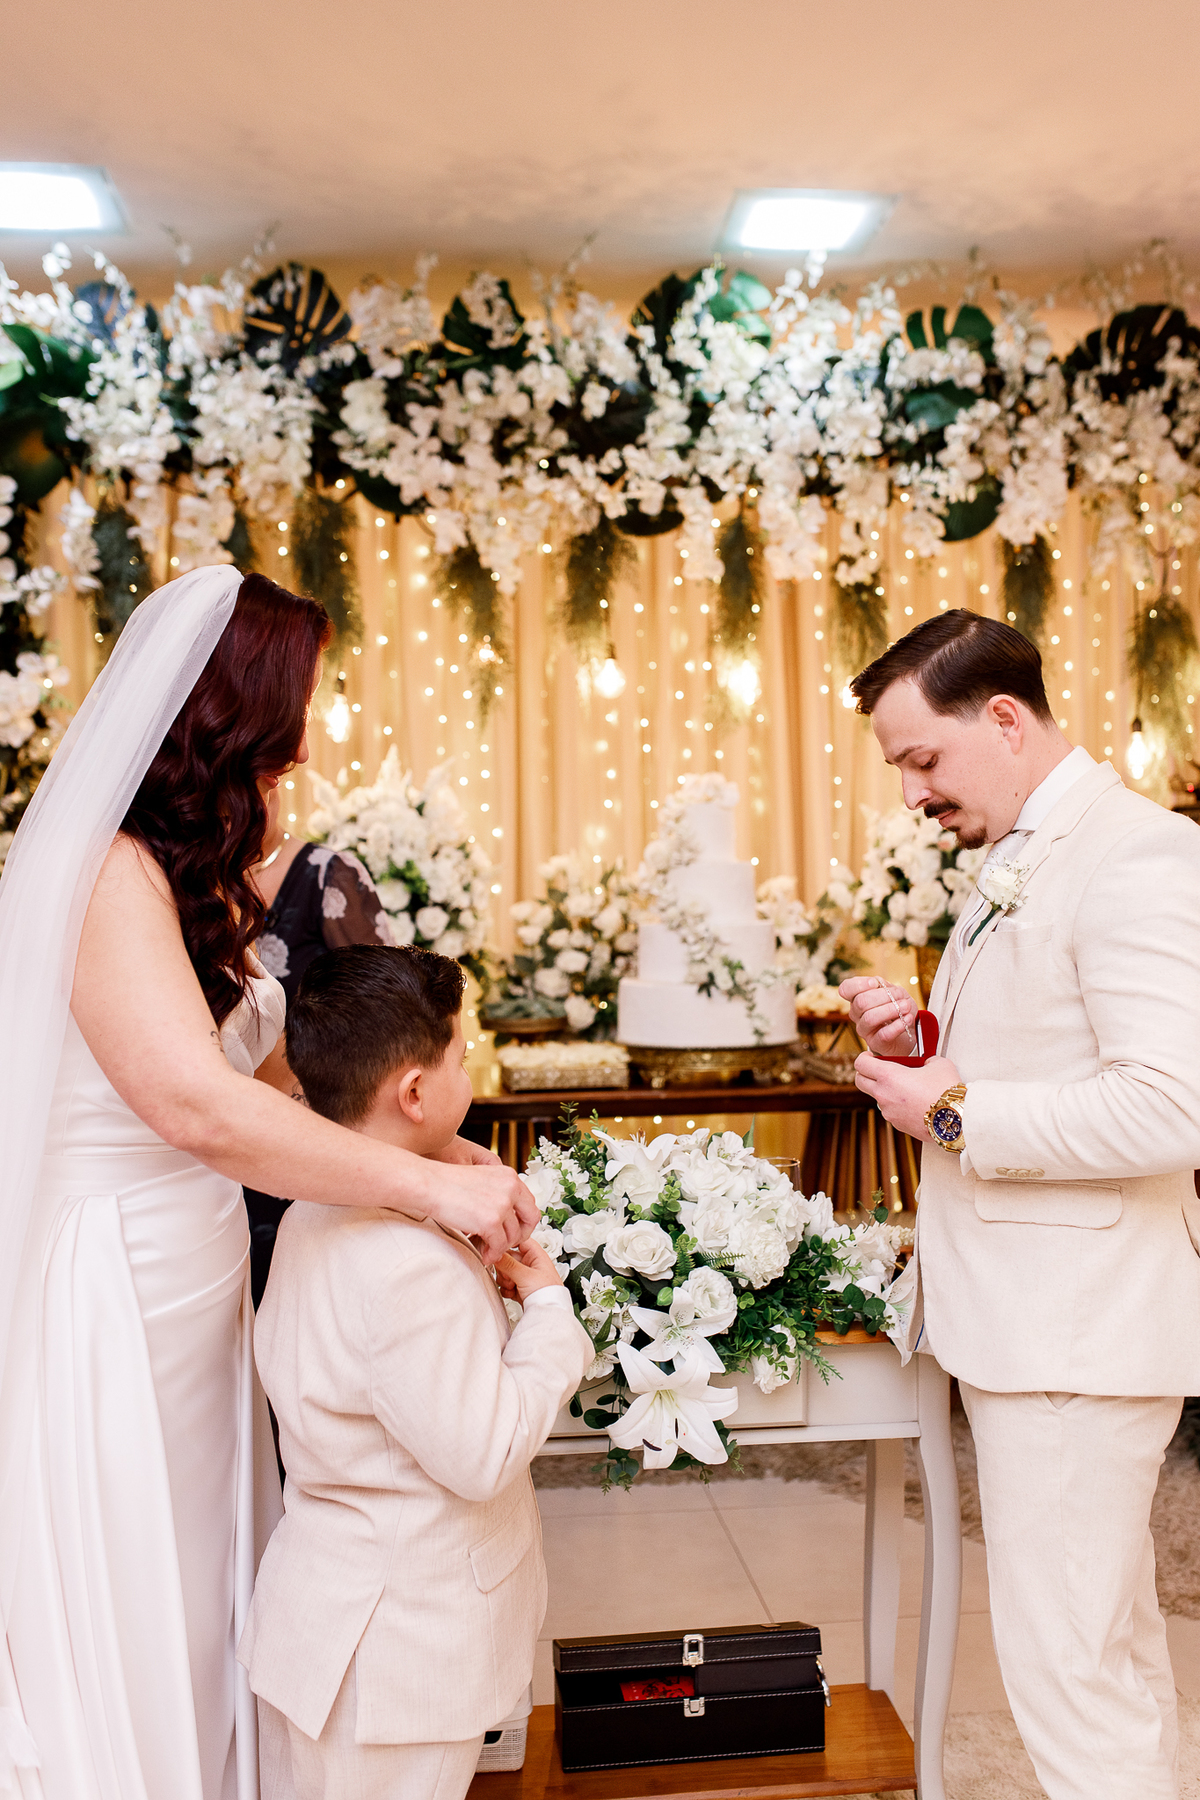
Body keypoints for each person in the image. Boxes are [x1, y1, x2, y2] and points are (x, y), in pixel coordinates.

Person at [0, 567, 538, 1800]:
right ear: (229, 713)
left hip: (195, 1279)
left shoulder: (195, 873)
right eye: (296, 706)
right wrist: (427, 1196)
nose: (306, 736)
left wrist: (436, 1153)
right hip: (115, 1283)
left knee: (208, 1577)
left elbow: (275, 1086)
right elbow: (193, 1105)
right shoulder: (105, 869)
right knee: (141, 1573)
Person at [840, 608, 1200, 1800]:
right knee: (1105, 1650)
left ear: (1003, 718)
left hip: (1076, 1332)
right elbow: (1047, 1052)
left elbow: (1172, 1107)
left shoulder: (1135, 854)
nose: (912, 794)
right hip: (1045, 1323)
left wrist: (951, 1113)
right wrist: (922, 1041)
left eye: (922, 759)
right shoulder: (1034, 846)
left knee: (1068, 1671)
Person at [240, 943, 592, 1800]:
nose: (467, 1074)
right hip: (398, 1659)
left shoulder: (315, 1203)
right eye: (460, 1059)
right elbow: (483, 1452)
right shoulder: (406, 1267)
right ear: (412, 1092)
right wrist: (549, 1310)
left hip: (332, 1622)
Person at [245, 832, 396, 1305]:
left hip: (312, 1127)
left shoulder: (328, 874)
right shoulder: (190, 880)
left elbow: (388, 1018)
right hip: (220, 1149)